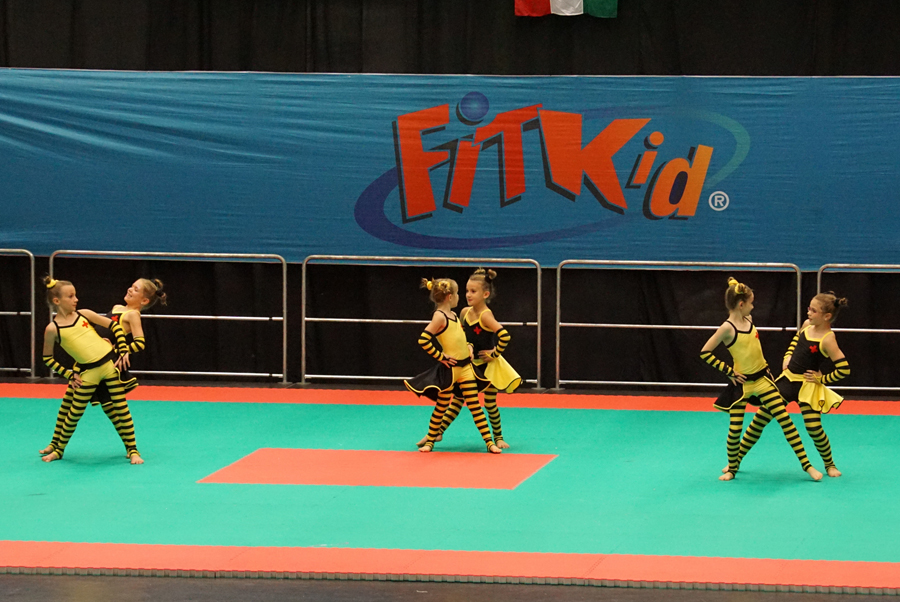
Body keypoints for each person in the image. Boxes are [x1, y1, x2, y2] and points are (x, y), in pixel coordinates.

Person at [700, 277, 821, 481]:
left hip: (763, 380)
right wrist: (728, 371)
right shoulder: (727, 328)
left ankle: (807, 465)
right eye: (751, 303)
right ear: (741, 304)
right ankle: (732, 468)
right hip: (742, 385)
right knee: (735, 430)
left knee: (786, 421)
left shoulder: (748, 320)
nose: (753, 307)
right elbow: (705, 352)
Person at [39, 278, 166, 458]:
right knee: (67, 405)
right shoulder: (116, 308)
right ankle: (55, 444)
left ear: (144, 300)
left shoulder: (132, 315)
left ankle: (131, 448)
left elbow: (139, 342)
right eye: (132, 286)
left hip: (107, 362)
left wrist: (121, 349)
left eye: (136, 289)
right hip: (86, 363)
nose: (130, 289)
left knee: (113, 410)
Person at [729, 292, 850, 477]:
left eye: (813, 310)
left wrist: (821, 379)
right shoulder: (807, 325)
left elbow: (844, 369)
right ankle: (735, 461)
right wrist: (788, 356)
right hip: (787, 381)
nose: (808, 313)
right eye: (809, 308)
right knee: (759, 420)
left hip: (807, 388)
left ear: (827, 316)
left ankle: (830, 464)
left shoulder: (828, 339)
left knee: (814, 429)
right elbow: (796, 340)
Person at [423, 268, 521, 449]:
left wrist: (494, 354)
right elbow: (461, 335)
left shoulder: (486, 315)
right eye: (467, 290)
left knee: (490, 403)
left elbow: (505, 335)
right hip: (470, 365)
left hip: (488, 366)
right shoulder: (464, 313)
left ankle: (498, 437)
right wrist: (467, 346)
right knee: (457, 400)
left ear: (485, 294)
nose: (468, 294)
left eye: (473, 291)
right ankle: (438, 432)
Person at [404, 278, 501, 454]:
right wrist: (440, 357)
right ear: (450, 296)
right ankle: (430, 441)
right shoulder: (439, 316)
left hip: (465, 367)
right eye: (457, 294)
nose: (460, 297)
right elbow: (423, 339)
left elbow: (459, 338)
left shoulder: (454, 316)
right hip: (450, 370)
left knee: (475, 406)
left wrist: (468, 347)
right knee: (441, 406)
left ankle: (489, 442)